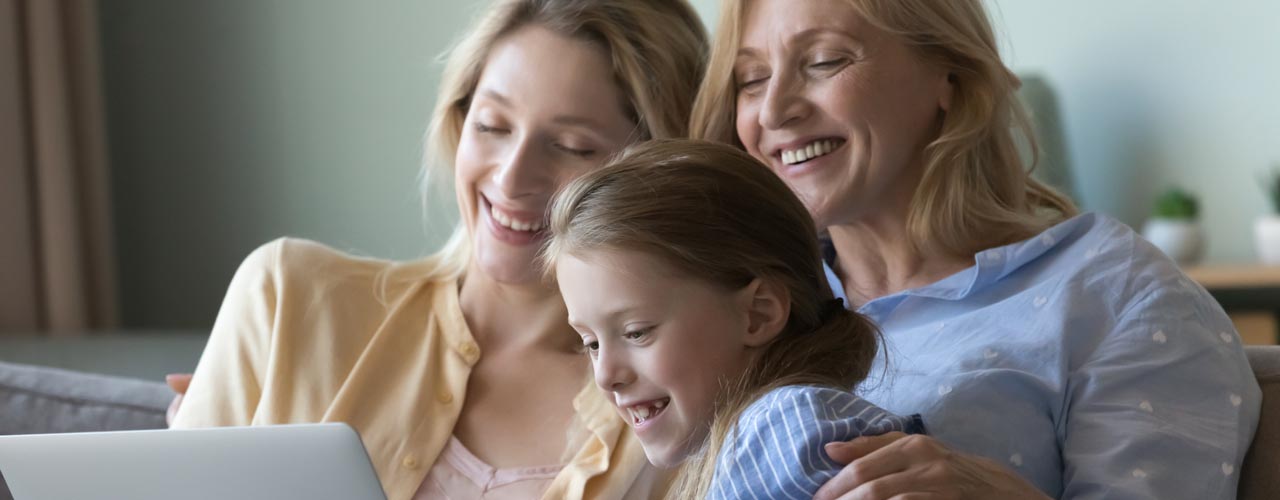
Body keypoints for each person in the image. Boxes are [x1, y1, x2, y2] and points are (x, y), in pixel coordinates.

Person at [689, 0, 1261, 498]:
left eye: (825, 61)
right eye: (752, 79)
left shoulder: (1119, 295)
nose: (773, 111)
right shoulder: (744, 309)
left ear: (949, 72)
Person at [170, 1, 708, 499]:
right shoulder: (287, 298)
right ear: (458, 121)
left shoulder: (676, 405)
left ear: (655, 171)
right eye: (492, 124)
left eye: (572, 147)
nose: (511, 177)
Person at [544, 139, 924, 499]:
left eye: (636, 333)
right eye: (592, 343)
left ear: (758, 313)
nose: (605, 376)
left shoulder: (786, 431)